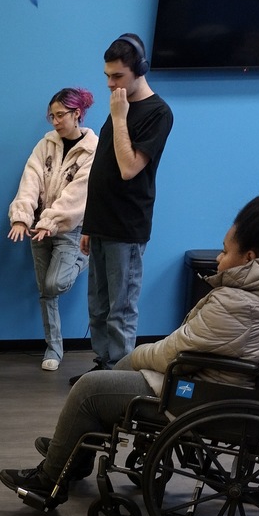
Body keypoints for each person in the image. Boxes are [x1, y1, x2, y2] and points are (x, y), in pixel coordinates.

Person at [0, 175, 259, 509]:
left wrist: (139, 353)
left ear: (250, 258)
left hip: (205, 394)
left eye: (226, 252)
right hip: (234, 388)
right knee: (113, 378)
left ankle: (48, 482)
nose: (219, 259)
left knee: (90, 389)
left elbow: (173, 354)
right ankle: (74, 453)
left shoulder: (239, 303)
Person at [70, 33, 173, 385]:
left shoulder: (157, 112)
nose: (111, 84)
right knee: (98, 307)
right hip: (100, 224)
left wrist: (118, 118)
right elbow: (103, 170)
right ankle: (104, 369)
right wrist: (89, 224)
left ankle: (118, 381)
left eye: (118, 76)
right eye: (107, 76)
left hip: (126, 228)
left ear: (140, 70)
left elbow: (129, 168)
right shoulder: (121, 106)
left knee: (120, 309)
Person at [7, 87, 98, 371]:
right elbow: (30, 180)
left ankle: (85, 258)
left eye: (60, 115)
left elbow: (77, 195)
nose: (55, 121)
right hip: (38, 229)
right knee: (45, 292)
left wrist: (51, 221)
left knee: (54, 284)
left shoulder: (93, 150)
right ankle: (54, 349)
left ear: (77, 113)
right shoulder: (45, 145)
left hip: (69, 229)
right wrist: (22, 218)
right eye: (52, 116)